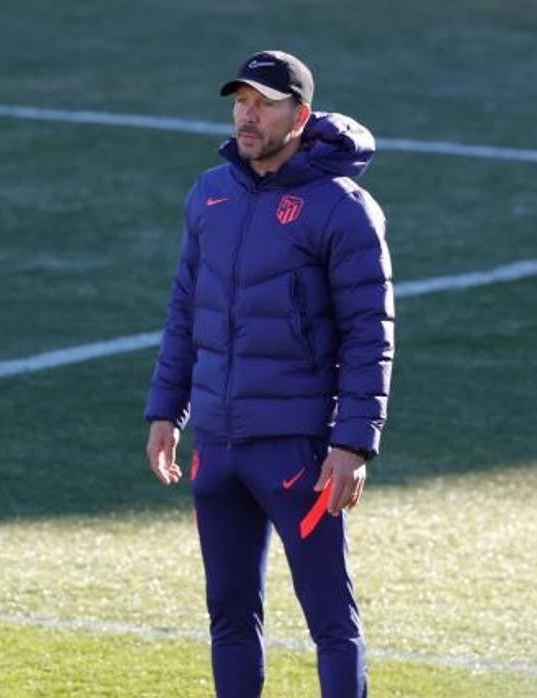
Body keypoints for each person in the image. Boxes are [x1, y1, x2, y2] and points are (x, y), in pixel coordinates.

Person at [144, 50, 393, 697]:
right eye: (241, 101)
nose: (247, 116)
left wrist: (352, 443)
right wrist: (166, 411)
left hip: (297, 451)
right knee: (228, 618)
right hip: (219, 448)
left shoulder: (342, 208)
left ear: (300, 115)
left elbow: (370, 333)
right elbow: (184, 310)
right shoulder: (211, 193)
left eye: (264, 103)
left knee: (329, 621)